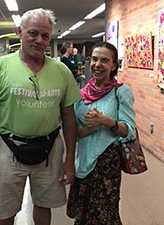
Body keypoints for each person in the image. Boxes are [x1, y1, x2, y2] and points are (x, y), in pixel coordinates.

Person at [0, 8, 81, 225]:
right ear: (19, 32)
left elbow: (69, 118)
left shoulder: (61, 71)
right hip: (9, 149)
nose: (39, 40)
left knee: (44, 204)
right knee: (4, 211)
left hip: (50, 149)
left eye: (45, 36)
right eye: (33, 33)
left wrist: (69, 160)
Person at [66, 42, 136, 225]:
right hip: (82, 162)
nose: (98, 64)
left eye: (105, 60)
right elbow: (74, 133)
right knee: (83, 214)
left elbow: (129, 131)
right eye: (95, 59)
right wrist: (90, 127)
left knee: (104, 215)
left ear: (113, 65)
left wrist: (105, 121)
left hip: (107, 164)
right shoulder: (80, 95)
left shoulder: (120, 92)